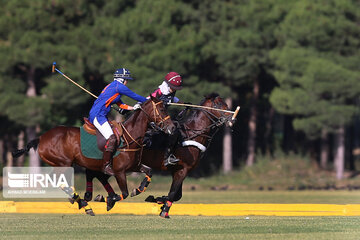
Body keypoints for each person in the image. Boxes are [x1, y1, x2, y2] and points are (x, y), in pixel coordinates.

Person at [89, 68, 147, 175]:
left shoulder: (114, 86)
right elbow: (135, 96)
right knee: (112, 138)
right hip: (98, 115)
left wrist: (133, 108)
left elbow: (121, 104)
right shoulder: (119, 87)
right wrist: (149, 101)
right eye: (126, 79)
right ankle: (106, 166)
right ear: (122, 79)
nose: (127, 82)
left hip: (101, 114)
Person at [149, 72, 183, 167]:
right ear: (168, 85)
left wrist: (183, 103)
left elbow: (173, 98)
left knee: (175, 130)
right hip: (153, 119)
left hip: (162, 119)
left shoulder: (171, 92)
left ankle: (168, 156)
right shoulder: (159, 92)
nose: (174, 90)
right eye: (174, 88)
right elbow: (148, 99)